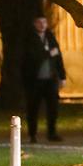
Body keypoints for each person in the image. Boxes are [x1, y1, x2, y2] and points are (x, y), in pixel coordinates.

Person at [22, 15, 67, 143]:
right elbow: (33, 57)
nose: (42, 25)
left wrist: (62, 76)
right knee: (33, 108)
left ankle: (52, 133)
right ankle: (32, 134)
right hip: (34, 81)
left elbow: (58, 58)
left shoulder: (50, 38)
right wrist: (48, 53)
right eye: (39, 22)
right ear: (34, 24)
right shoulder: (29, 39)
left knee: (53, 107)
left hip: (50, 80)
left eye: (44, 22)